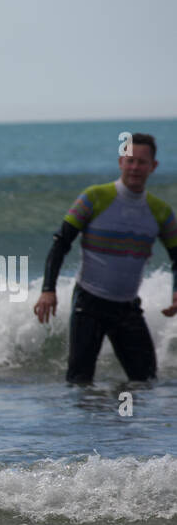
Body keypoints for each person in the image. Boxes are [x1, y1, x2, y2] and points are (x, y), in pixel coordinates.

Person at [35, 133, 177, 384]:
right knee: (79, 383)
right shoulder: (93, 197)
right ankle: (86, 424)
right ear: (121, 161)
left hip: (127, 308)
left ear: (153, 167)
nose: (135, 167)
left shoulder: (161, 212)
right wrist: (48, 289)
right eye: (130, 160)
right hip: (88, 303)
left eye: (142, 162)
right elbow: (61, 243)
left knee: (145, 382)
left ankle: (123, 420)